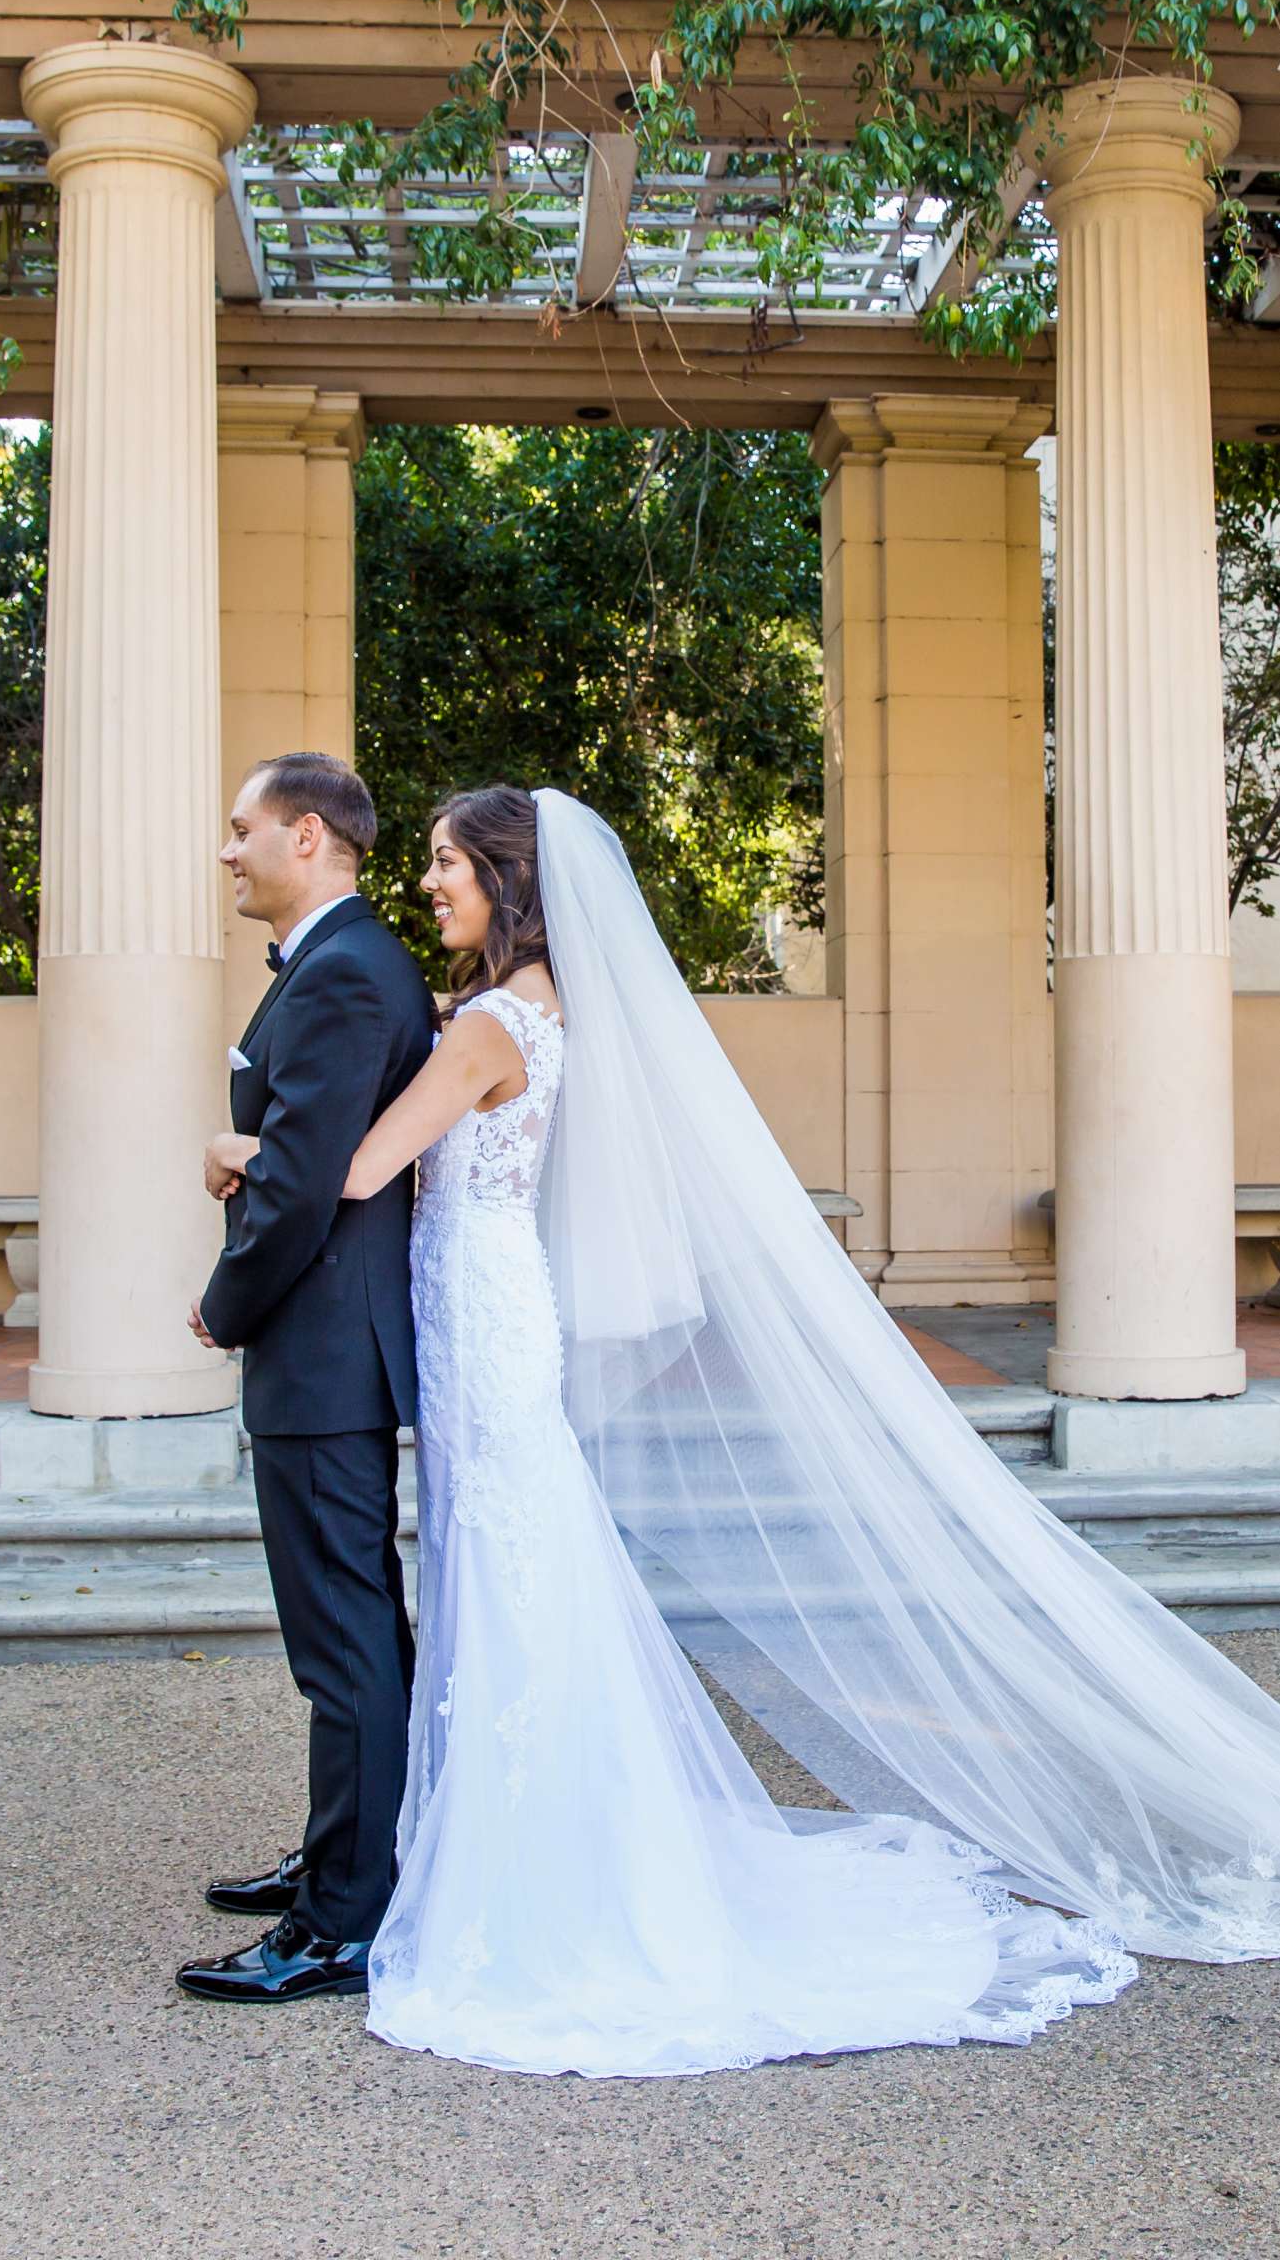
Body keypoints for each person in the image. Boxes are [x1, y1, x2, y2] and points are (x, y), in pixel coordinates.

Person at [325, 786, 1280, 2076]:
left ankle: (534, 1867)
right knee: (514, 1557)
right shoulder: (542, 1009)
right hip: (490, 1305)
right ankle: (527, 1829)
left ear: (509, 879)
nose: (428, 882)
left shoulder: (489, 1023)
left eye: (447, 864)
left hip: (483, 1316)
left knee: (506, 1561)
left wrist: (236, 1144)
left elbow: (361, 1169)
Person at [175, 753, 434, 2008]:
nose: (228, 852)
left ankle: (343, 1922)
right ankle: (347, 1855)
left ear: (311, 837)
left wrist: (223, 1307)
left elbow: (305, 1181)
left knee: (344, 1647)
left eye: (243, 831)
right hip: (329, 1353)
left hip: (324, 1353)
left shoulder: (342, 972)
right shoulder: (340, 965)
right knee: (353, 1634)